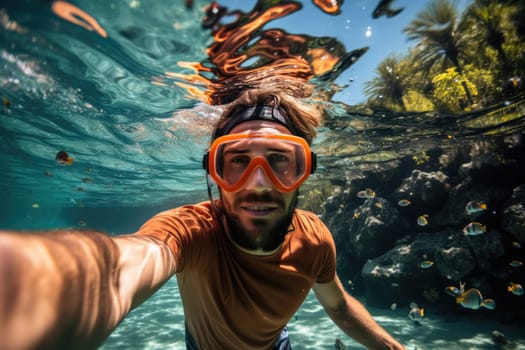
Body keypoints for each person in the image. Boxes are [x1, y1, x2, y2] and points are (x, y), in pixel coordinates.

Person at [0, 89, 405, 350]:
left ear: (304, 171)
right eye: (238, 163)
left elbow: (340, 308)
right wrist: (25, 285)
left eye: (281, 161)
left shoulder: (315, 238)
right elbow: (123, 265)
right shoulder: (189, 231)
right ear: (214, 173)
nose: (258, 184)